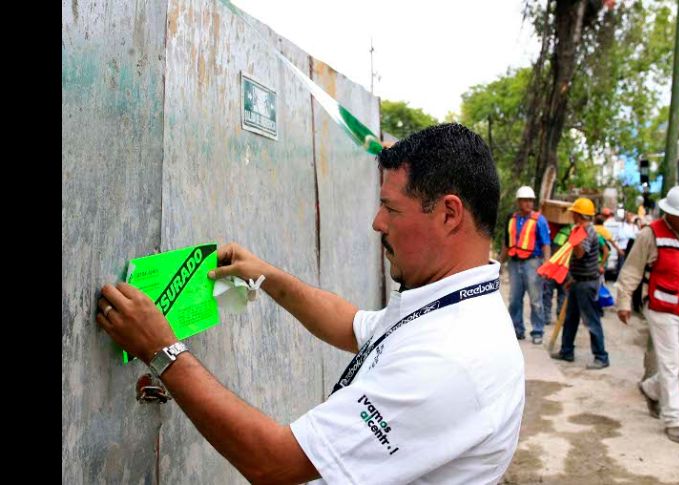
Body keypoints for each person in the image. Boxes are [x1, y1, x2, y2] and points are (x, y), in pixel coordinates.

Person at [95, 123, 525, 484]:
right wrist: (268, 277)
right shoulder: (448, 303)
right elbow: (354, 326)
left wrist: (163, 350)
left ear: (449, 214)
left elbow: (274, 461)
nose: (377, 223)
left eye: (390, 208)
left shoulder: (451, 358)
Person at [616, 185, 679, 444]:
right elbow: (632, 269)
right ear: (670, 214)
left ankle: (650, 388)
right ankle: (673, 420)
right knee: (669, 363)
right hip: (659, 307)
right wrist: (624, 301)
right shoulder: (650, 234)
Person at [550, 198, 610, 370]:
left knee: (591, 320)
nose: (572, 216)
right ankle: (566, 351)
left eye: (574, 213)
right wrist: (571, 279)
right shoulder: (580, 230)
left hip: (586, 284)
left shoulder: (588, 232)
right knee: (570, 319)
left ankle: (601, 356)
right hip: (578, 281)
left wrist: (575, 241)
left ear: (578, 214)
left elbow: (580, 253)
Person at [498, 186, 551, 344]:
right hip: (514, 263)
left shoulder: (539, 220)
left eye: (531, 201)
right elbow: (507, 243)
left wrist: (546, 265)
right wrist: (500, 262)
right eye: (525, 200)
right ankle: (517, 329)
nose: (529, 203)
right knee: (514, 298)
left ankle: (537, 331)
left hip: (532, 262)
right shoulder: (512, 219)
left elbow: (546, 244)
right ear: (518, 202)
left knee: (535, 299)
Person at [543, 222, 572, 324]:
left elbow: (556, 248)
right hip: (565, 267)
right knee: (562, 293)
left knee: (548, 292)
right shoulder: (572, 230)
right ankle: (561, 317)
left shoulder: (563, 232)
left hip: (557, 266)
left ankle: (547, 317)